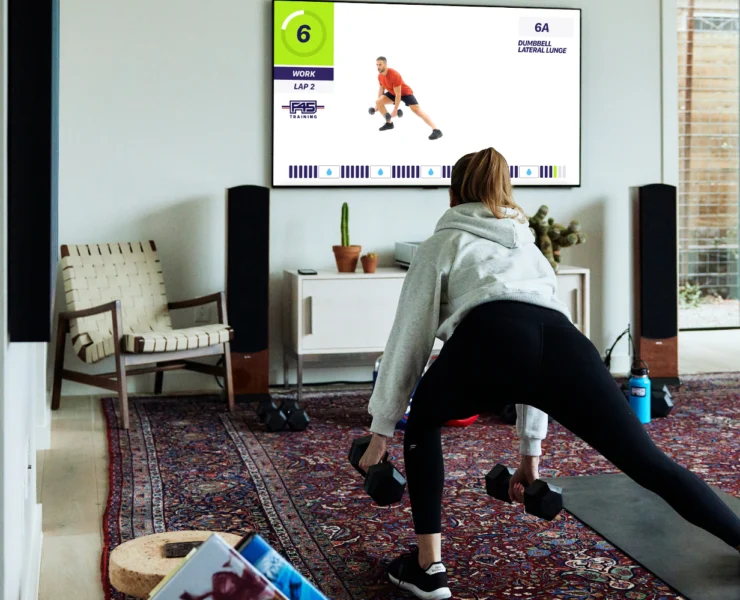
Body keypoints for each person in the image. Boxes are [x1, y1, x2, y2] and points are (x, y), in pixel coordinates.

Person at [358, 147, 740, 600]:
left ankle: (428, 569)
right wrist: (529, 457)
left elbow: (410, 339)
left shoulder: (441, 243)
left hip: (489, 338)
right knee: (647, 461)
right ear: (504, 192)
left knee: (422, 420)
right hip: (564, 344)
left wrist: (381, 431)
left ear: (453, 193)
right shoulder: (530, 248)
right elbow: (534, 358)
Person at [374, 56, 442, 140]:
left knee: (417, 110)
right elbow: (381, 89)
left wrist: (395, 110)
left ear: (385, 64)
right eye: (377, 65)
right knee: (378, 102)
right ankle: (389, 124)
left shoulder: (394, 75)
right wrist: (377, 105)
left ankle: (436, 130)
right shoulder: (380, 76)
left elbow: (398, 95)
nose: (378, 67)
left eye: (380, 65)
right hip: (393, 93)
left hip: (404, 93)